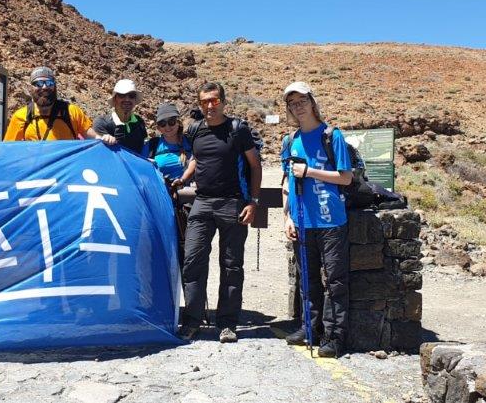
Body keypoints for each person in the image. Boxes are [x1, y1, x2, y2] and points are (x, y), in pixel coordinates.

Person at [171, 82, 262, 343]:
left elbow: (255, 165)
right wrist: (183, 178)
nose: (210, 106)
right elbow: (196, 159)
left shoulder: (238, 129)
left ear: (223, 101)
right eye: (204, 101)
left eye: (214, 100)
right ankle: (192, 321)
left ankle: (227, 324)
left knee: (232, 266)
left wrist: (253, 202)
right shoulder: (195, 130)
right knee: (192, 261)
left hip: (232, 203)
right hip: (202, 202)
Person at [281, 81, 353, 358]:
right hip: (302, 221)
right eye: (292, 104)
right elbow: (287, 181)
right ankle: (309, 328)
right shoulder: (290, 141)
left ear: (312, 102)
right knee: (307, 279)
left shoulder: (332, 136)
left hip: (330, 220)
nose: (298, 107)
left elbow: (345, 178)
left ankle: (335, 336)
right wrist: (287, 217)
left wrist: (309, 171)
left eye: (302, 101)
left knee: (335, 281)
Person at [3, 66, 116, 144]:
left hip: (66, 171)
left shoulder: (72, 112)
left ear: (55, 86)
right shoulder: (21, 116)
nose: (44, 87)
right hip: (37, 171)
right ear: (31, 88)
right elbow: (8, 149)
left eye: (49, 83)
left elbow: (92, 137)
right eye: (38, 83)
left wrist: (104, 138)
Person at [143, 102, 194, 265]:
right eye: (162, 123)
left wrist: (183, 179)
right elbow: (142, 167)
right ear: (158, 127)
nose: (167, 127)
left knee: (188, 247)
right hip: (160, 200)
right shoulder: (152, 145)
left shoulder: (189, 142)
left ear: (178, 121)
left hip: (186, 202)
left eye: (171, 122)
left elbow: (196, 161)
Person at [93, 79, 148, 152]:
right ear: (115, 99)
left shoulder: (140, 122)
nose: (127, 99)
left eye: (131, 96)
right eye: (122, 95)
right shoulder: (102, 123)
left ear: (135, 100)